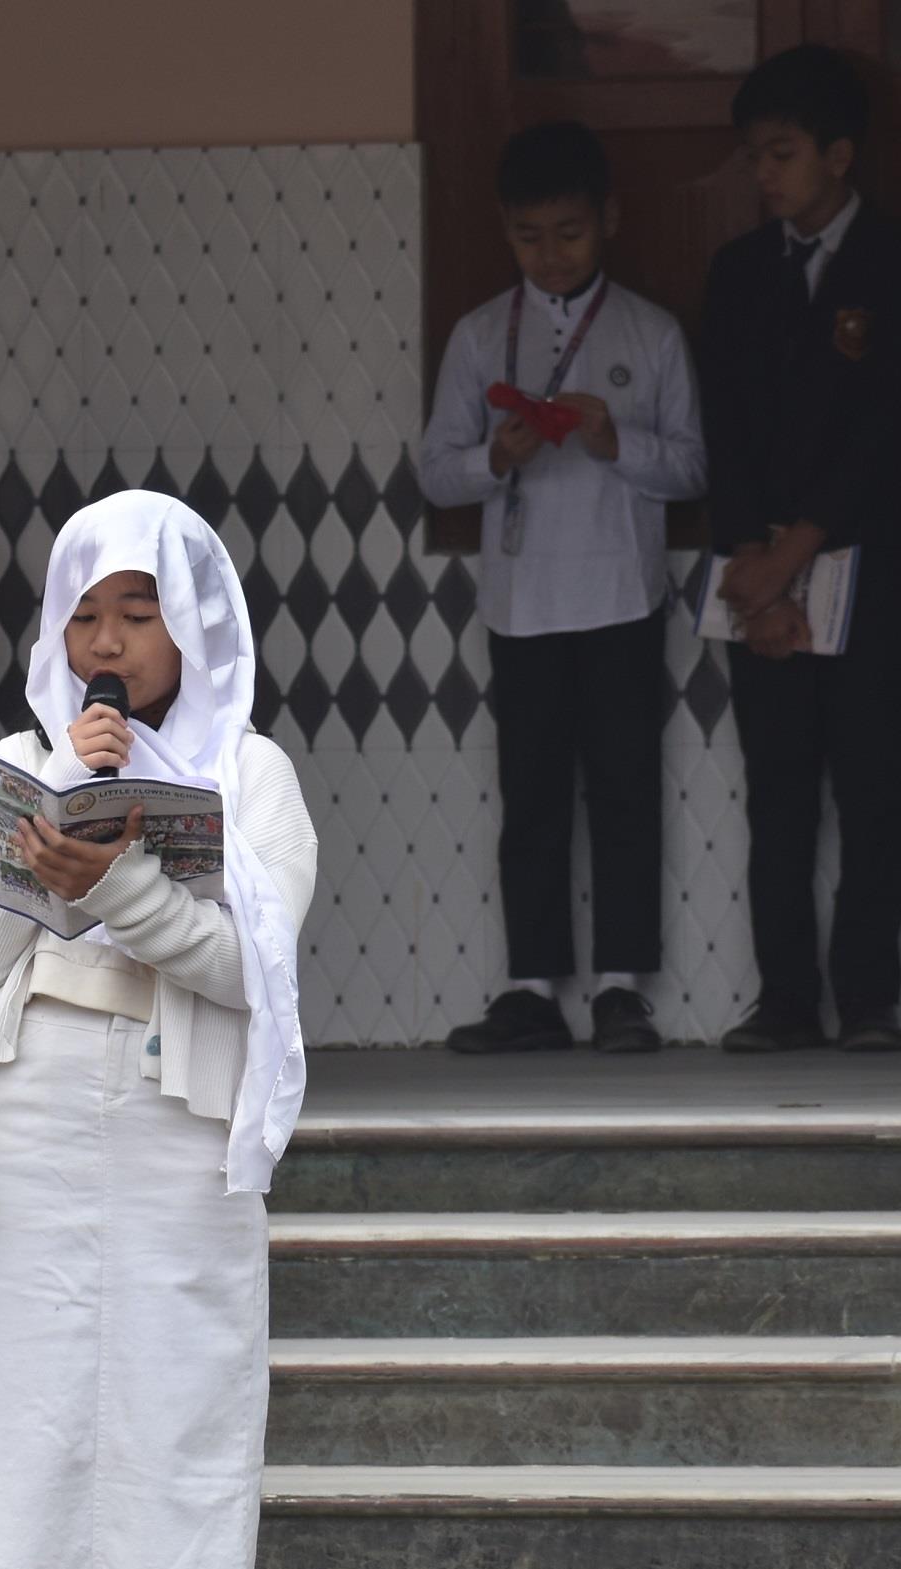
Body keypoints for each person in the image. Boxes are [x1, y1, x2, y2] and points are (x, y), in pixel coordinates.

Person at [0, 493, 317, 1569]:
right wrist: (47, 831)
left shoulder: (250, 770)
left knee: (185, 1428)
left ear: (194, 623)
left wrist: (123, 881)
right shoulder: (23, 755)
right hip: (35, 1121)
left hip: (181, 1126)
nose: (108, 639)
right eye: (85, 611)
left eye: (137, 611)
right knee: (51, 1438)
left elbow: (246, 966)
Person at [420, 121, 705, 1057]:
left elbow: (694, 471)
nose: (551, 255)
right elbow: (435, 473)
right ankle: (530, 987)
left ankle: (624, 988)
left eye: (571, 233)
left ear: (610, 221)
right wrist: (491, 460)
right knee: (533, 795)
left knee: (624, 789)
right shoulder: (477, 335)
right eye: (531, 236)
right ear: (506, 230)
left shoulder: (648, 332)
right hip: (522, 602)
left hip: (624, 595)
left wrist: (613, 439)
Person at [699, 45, 901, 1054]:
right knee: (777, 797)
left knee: (872, 792)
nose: (765, 175)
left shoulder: (889, 263)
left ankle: (870, 997)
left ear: (840, 154)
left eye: (782, 154)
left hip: (870, 572)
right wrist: (755, 562)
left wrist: (806, 545)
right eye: (754, 157)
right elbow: (722, 431)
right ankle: (785, 999)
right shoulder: (738, 275)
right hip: (761, 578)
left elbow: (880, 432)